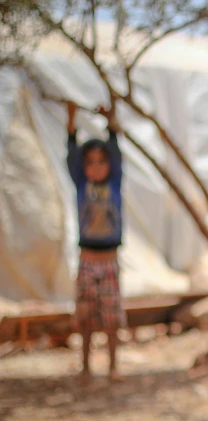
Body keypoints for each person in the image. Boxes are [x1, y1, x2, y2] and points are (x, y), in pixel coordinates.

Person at [66, 99, 126, 384]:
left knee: (112, 319)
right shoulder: (82, 186)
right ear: (83, 167)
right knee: (86, 318)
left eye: (102, 162)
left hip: (110, 262)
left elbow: (116, 155)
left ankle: (113, 366)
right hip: (87, 262)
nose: (96, 167)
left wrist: (110, 120)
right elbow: (71, 157)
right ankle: (86, 366)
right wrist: (71, 121)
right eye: (89, 162)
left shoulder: (114, 184)